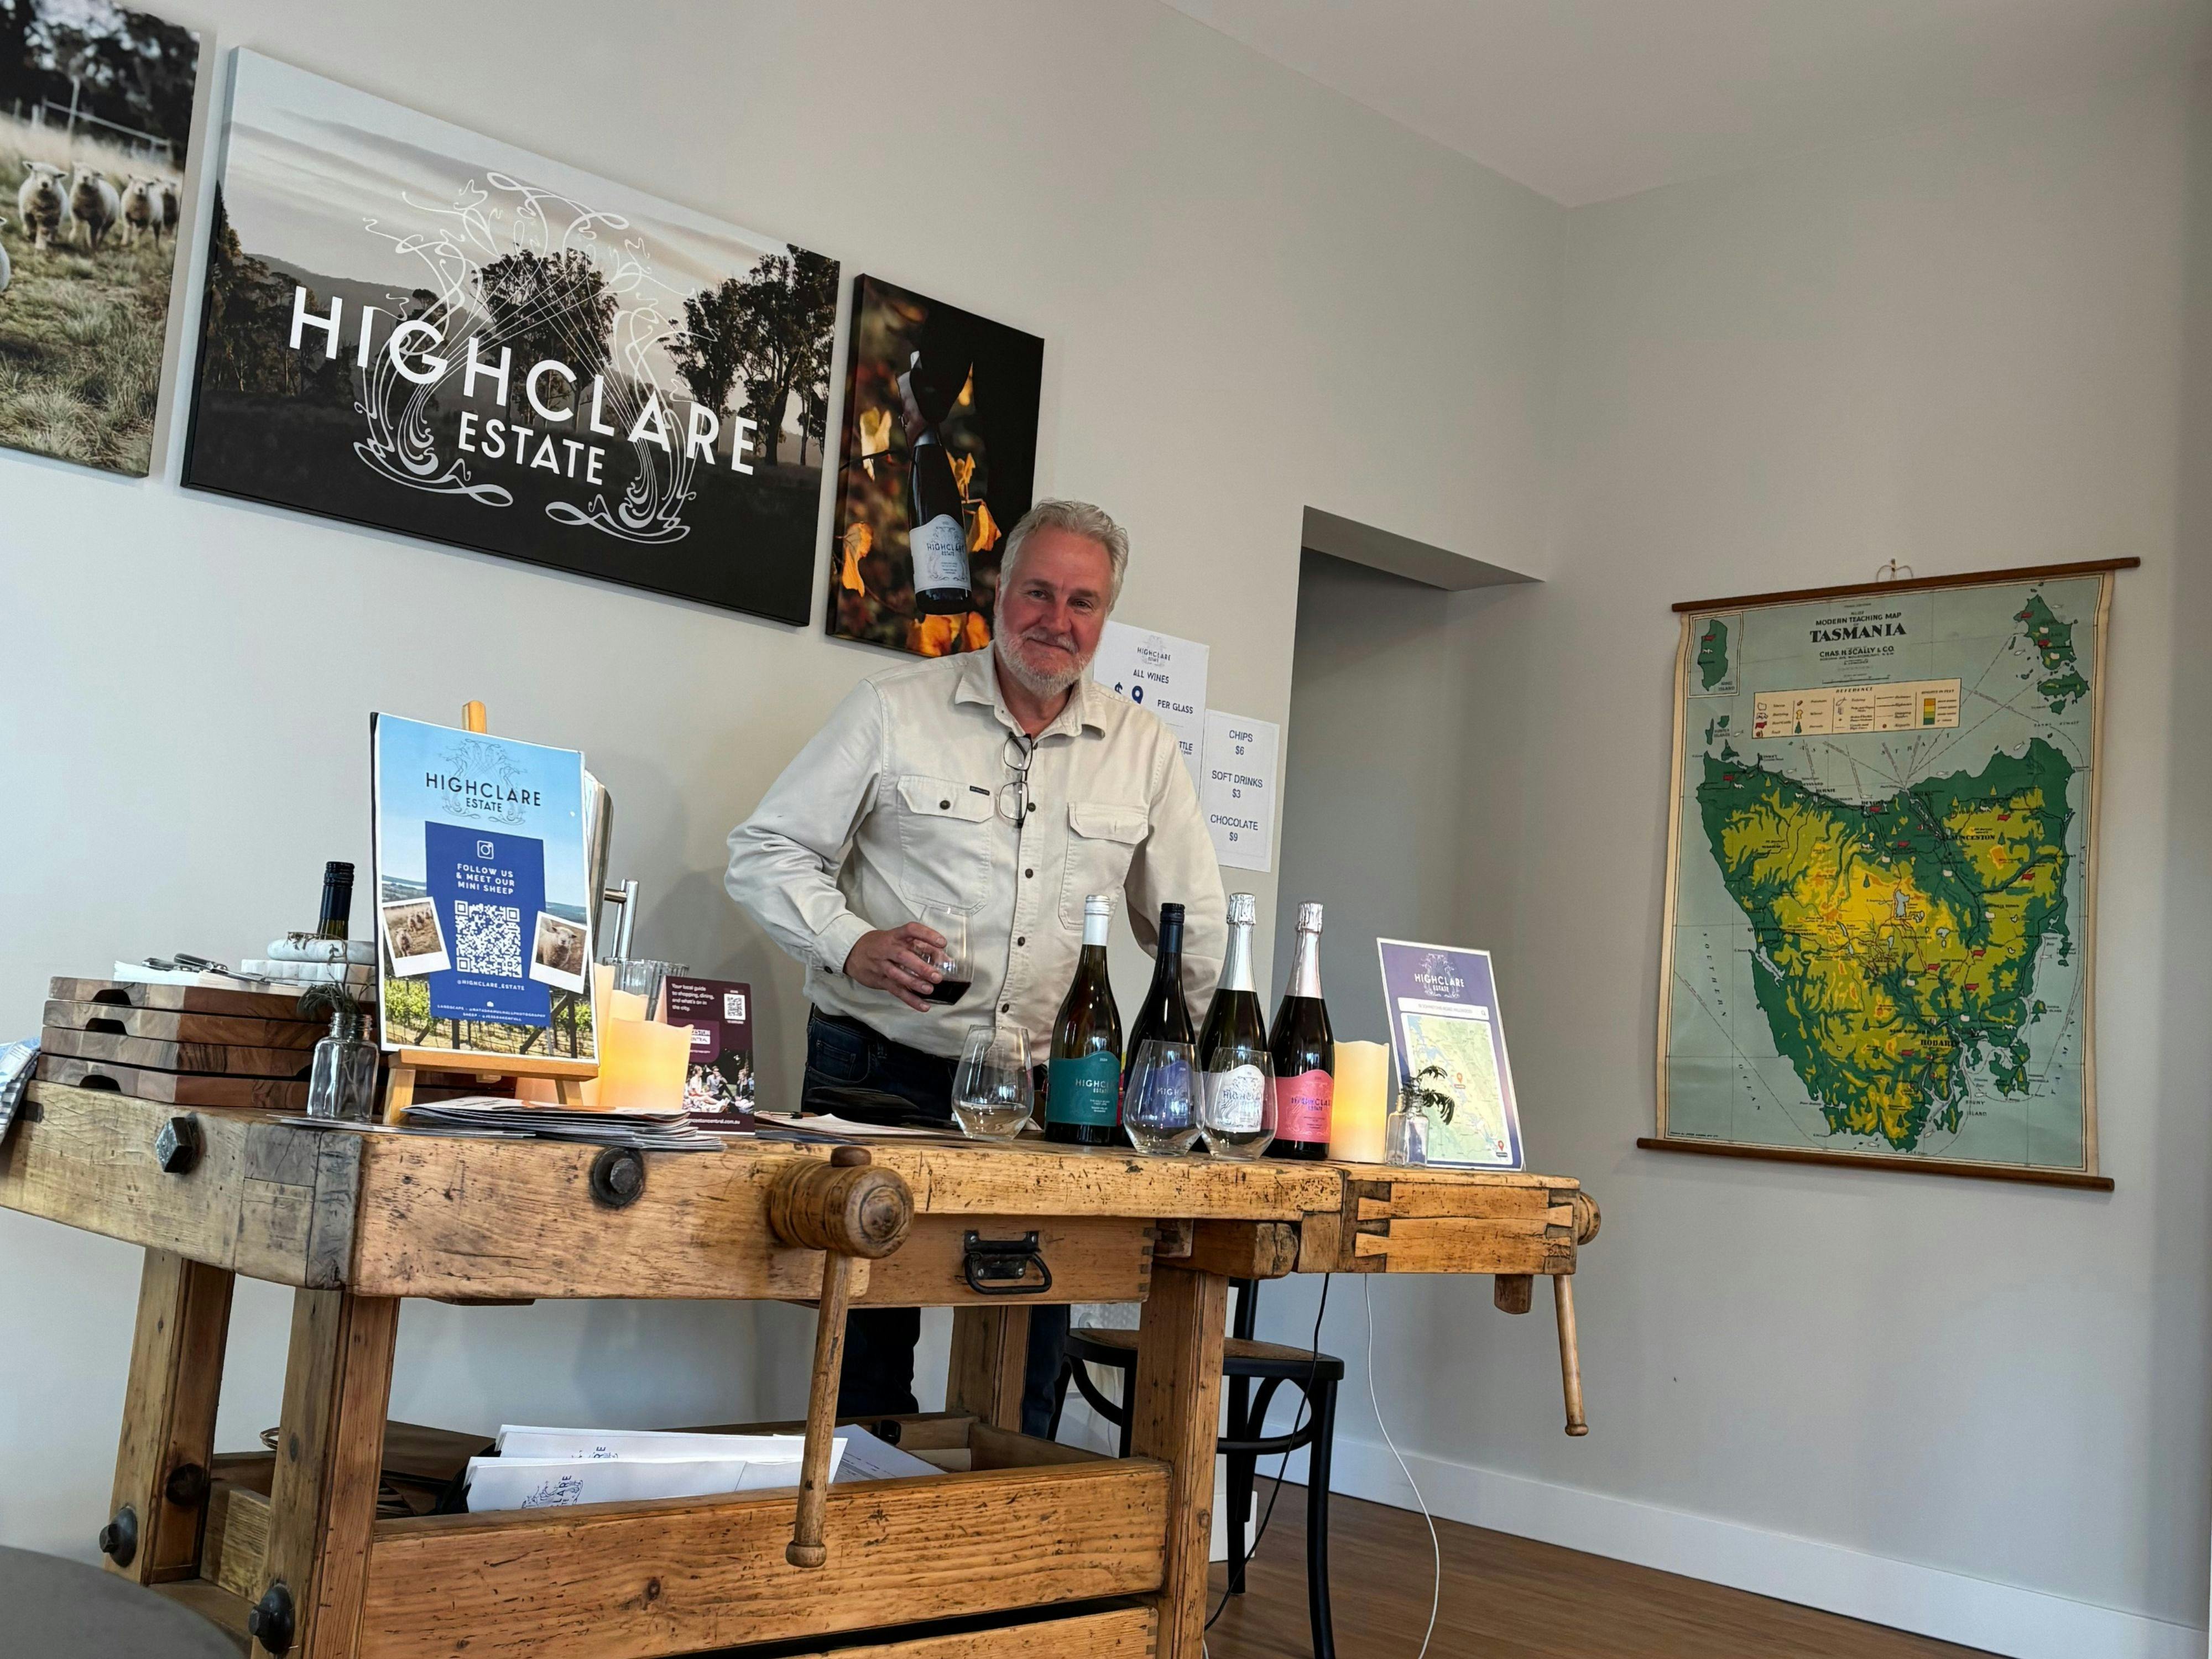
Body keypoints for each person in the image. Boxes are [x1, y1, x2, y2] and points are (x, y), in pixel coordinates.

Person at [727, 499, 1226, 1434]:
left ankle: (999, 1563)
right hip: (878, 1067)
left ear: (1106, 617)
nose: (1057, 619)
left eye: (1084, 602)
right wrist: (851, 942)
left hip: (1048, 1091)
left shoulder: (1146, 752)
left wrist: (1197, 1079)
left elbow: (1191, 932)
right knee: (864, 1343)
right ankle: (855, 1559)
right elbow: (765, 852)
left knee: (1029, 1354)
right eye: (1039, 592)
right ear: (1001, 592)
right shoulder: (892, 711)